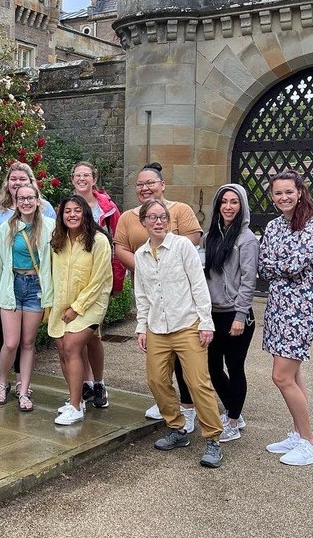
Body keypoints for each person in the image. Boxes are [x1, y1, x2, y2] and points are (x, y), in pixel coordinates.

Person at [134, 199, 224, 468]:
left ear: (169, 221)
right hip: (157, 329)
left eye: (163, 217)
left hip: (187, 325)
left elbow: (199, 285)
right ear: (144, 222)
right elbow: (142, 295)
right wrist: (141, 327)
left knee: (198, 383)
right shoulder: (140, 255)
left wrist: (206, 322)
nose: (158, 222)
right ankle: (177, 428)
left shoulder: (183, 246)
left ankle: (213, 440)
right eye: (152, 217)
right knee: (156, 380)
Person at [114, 162, 202, 428]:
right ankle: (169, 403)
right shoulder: (129, 217)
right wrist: (145, 266)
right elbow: (120, 248)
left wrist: (163, 263)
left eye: (150, 182)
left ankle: (188, 406)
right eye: (140, 184)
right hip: (149, 290)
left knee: (185, 359)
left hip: (178, 294)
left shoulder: (180, 210)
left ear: (162, 185)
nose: (145, 188)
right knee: (159, 361)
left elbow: (192, 239)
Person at [258, 170, 313, 466]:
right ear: (272, 198)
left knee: (281, 376)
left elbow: (295, 265)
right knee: (294, 374)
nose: (283, 197)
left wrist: (279, 265)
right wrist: (279, 265)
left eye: (288, 191)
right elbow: (264, 265)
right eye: (278, 193)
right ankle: (300, 433)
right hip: (277, 306)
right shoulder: (274, 225)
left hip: (301, 307)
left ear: (300, 192)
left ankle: (310, 443)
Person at [0, 162, 56, 396]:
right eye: (22, 198)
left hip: (36, 287)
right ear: (15, 201)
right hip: (12, 286)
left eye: (30, 198)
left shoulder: (49, 227)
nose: (26, 202)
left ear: (38, 201)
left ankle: (24, 390)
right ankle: (3, 381)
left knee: (28, 343)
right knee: (11, 343)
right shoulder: (6, 228)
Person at [49, 195, 112, 426]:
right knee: (62, 350)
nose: (72, 215)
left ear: (85, 212)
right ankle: (76, 399)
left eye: (77, 210)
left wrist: (77, 308)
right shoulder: (57, 240)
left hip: (90, 304)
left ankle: (75, 408)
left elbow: (99, 280)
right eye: (67, 211)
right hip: (61, 304)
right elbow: (52, 275)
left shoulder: (98, 240)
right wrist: (52, 306)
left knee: (72, 345)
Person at [204, 184, 259, 442]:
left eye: (234, 202)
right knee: (213, 368)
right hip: (213, 313)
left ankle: (233, 421)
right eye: (224, 201)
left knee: (235, 367)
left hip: (236, 315)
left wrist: (239, 316)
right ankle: (233, 408)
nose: (228, 206)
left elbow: (248, 281)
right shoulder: (211, 236)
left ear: (242, 206)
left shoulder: (246, 240)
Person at [70, 160, 122, 408]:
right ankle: (85, 383)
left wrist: (117, 279)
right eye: (78, 175)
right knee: (75, 335)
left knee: (91, 335)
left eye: (86, 175)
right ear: (72, 179)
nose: (82, 179)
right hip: (73, 279)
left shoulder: (107, 209)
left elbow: (118, 243)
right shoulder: (68, 207)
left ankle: (99, 382)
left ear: (94, 179)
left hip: (97, 279)